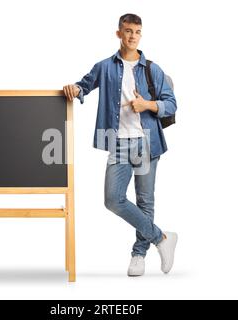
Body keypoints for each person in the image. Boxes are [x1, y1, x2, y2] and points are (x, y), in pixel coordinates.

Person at [63, 13, 178, 276]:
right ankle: (161, 238)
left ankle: (139, 254)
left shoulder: (153, 69)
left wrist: (146, 104)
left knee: (145, 201)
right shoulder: (104, 67)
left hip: (148, 142)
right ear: (119, 33)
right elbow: (84, 86)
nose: (132, 36)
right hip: (118, 143)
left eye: (137, 31)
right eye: (127, 31)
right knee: (113, 199)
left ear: (141, 34)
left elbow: (171, 104)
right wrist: (73, 89)